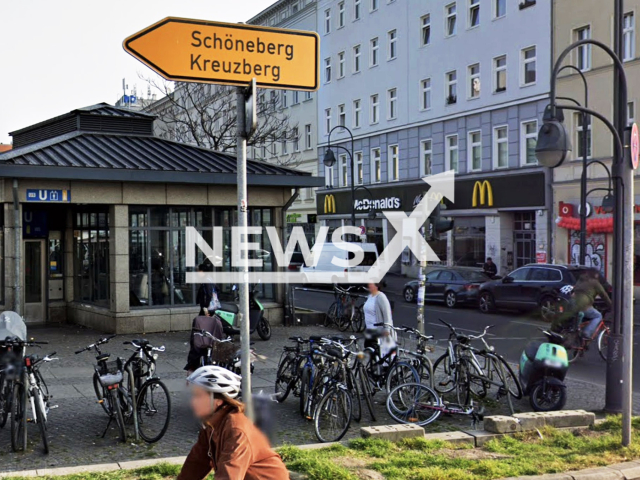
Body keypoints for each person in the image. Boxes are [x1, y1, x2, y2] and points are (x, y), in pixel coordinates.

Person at [178, 366, 289, 480]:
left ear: (218, 401)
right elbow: (197, 463)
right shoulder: (211, 425)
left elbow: (229, 475)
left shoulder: (236, 430)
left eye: (198, 396)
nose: (192, 401)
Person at [572, 268, 612, 339]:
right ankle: (587, 332)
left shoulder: (580, 280)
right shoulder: (595, 283)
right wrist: (611, 306)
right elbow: (604, 295)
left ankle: (577, 329)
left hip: (573, 303)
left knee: (582, 315)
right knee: (598, 316)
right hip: (583, 304)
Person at [362, 281, 394, 351]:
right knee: (368, 351)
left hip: (377, 332)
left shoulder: (381, 297)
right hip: (369, 331)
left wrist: (387, 330)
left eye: (371, 284)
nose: (369, 285)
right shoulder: (370, 296)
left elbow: (387, 314)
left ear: (377, 286)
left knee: (376, 353)